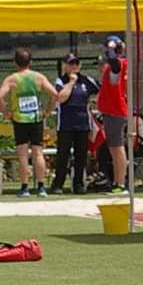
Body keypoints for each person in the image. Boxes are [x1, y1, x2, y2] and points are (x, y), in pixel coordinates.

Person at [0, 48, 56, 197]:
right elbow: (55, 94)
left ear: (15, 63)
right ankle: (41, 187)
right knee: (38, 153)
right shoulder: (38, 77)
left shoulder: (12, 79)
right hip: (36, 118)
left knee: (22, 154)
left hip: (19, 119)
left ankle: (25, 187)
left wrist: (6, 113)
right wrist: (47, 111)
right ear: (31, 62)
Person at [50, 52, 99, 194]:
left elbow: (100, 91)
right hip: (65, 124)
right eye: (71, 63)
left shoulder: (87, 80)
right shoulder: (60, 81)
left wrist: (94, 101)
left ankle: (78, 184)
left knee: (81, 155)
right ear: (64, 65)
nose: (74, 66)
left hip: (83, 123)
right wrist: (71, 82)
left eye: (76, 63)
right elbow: (61, 98)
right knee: (63, 155)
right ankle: (58, 184)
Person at [97, 34, 129, 193]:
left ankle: (120, 183)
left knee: (117, 147)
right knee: (113, 148)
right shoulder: (116, 66)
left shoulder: (118, 65)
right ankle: (117, 181)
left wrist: (111, 48)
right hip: (110, 110)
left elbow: (114, 63)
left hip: (115, 110)